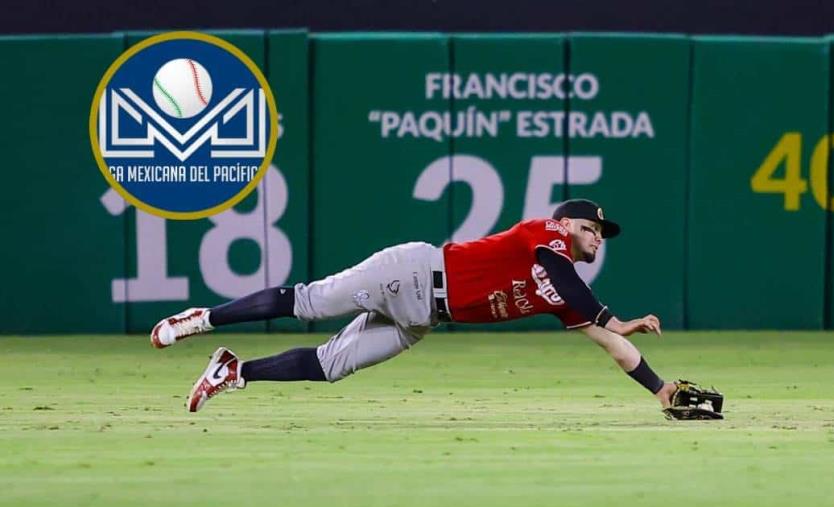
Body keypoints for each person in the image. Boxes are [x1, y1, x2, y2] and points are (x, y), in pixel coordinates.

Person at [151, 198, 677, 412]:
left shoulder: (564, 294)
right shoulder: (545, 234)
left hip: (424, 318)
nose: (597, 237)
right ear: (565, 224)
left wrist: (660, 390)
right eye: (590, 228)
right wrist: (614, 316)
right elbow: (564, 275)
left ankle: (232, 371)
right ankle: (203, 318)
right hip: (413, 273)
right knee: (310, 302)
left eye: (601, 233)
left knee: (331, 366)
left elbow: (610, 345)